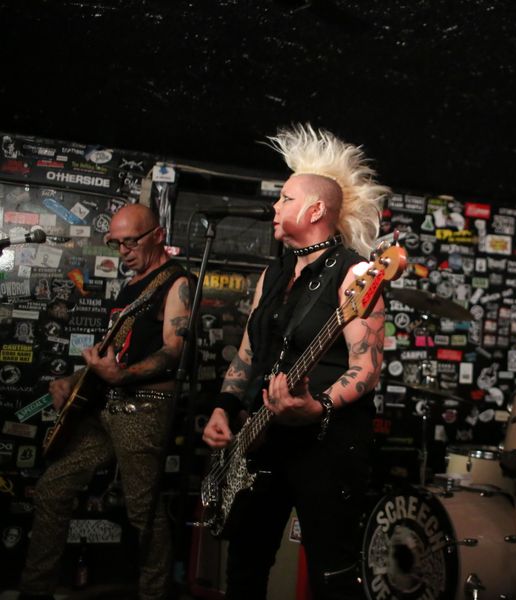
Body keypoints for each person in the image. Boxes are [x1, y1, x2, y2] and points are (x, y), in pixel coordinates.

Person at [202, 123, 387, 600]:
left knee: (332, 574)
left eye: (285, 198)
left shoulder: (356, 273)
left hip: (326, 443)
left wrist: (317, 406)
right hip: (262, 437)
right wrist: (225, 406)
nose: (275, 207)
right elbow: (248, 353)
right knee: (245, 567)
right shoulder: (273, 274)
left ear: (315, 209)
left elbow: (366, 368)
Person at [19, 204, 191, 600]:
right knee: (52, 489)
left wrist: (123, 376)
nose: (124, 251)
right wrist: (73, 380)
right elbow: (114, 354)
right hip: (105, 404)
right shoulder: (132, 286)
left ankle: (154, 595)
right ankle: (34, 590)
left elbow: (174, 351)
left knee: (143, 511)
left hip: (144, 405)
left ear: (158, 235)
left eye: (132, 242)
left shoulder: (177, 282)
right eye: (116, 244)